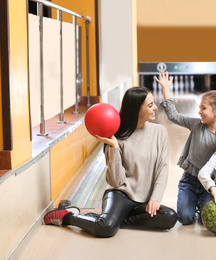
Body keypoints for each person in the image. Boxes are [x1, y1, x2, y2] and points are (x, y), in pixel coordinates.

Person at [43, 86, 178, 237]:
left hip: (143, 200)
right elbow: (116, 182)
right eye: (150, 105)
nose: (155, 108)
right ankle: (67, 217)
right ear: (136, 109)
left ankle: (110, 220)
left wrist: (155, 199)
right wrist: (114, 147)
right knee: (105, 228)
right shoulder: (116, 137)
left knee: (170, 217)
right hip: (121, 195)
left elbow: (163, 168)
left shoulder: (160, 132)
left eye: (154, 103)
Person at [156, 71, 216, 225]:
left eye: (203, 108)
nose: (199, 111)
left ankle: (199, 204)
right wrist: (166, 89)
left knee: (206, 220)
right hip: (189, 180)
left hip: (209, 184)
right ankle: (192, 203)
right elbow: (173, 116)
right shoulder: (196, 125)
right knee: (185, 219)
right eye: (199, 107)